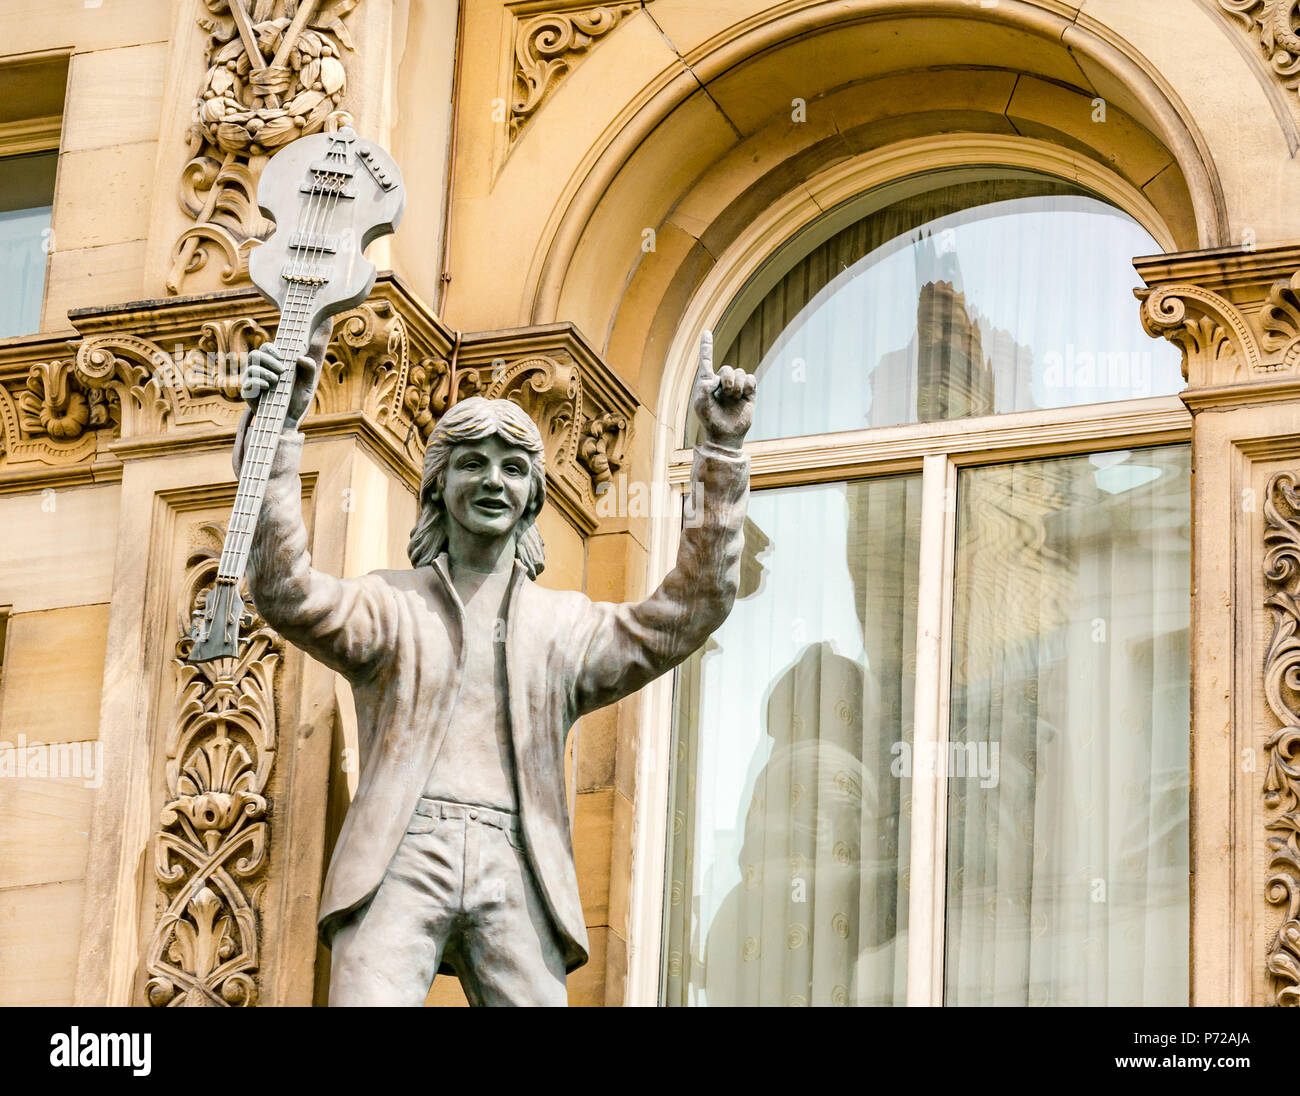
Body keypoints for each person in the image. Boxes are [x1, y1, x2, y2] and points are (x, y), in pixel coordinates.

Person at [237, 329, 757, 1005]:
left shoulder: (566, 626)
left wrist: (719, 453)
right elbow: (286, 592)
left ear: (534, 495)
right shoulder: (389, 605)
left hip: (519, 864)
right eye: (473, 463)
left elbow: (692, 608)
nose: (492, 481)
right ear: (439, 483)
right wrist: (275, 436)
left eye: (513, 468)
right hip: (400, 856)